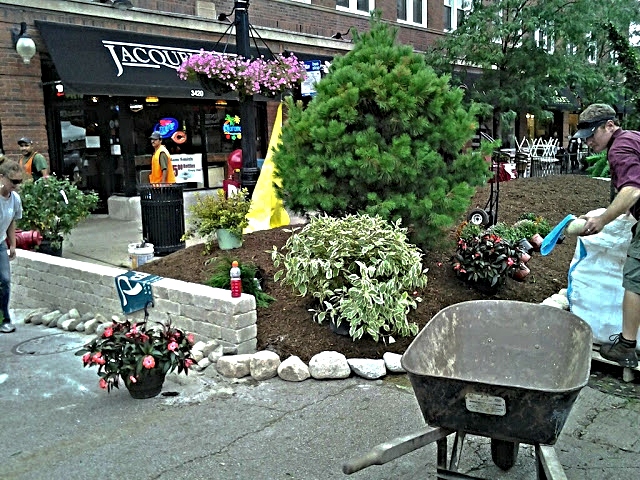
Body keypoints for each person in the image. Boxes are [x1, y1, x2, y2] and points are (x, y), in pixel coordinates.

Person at [573, 103, 640, 367]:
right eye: (584, 137)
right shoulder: (633, 138)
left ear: (609, 126)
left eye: (592, 135)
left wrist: (602, 220)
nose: (588, 142)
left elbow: (632, 190)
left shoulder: (619, 148)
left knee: (634, 277)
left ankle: (626, 346)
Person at [0, 160, 23, 333]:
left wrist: (12, 244)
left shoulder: (14, 199)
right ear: (2, 177)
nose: (16, 185)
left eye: (19, 181)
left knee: (5, 281)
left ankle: (5, 319)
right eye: (13, 181)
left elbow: (11, 221)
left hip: (0, 243)